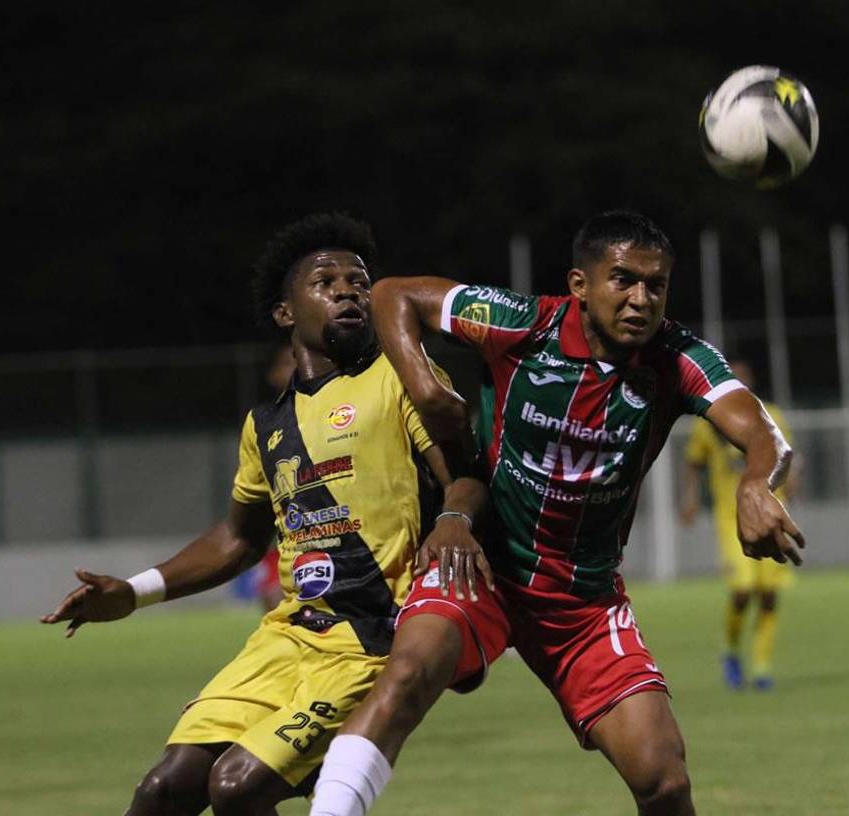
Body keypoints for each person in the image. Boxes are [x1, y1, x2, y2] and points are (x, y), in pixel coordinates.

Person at [308, 210, 805, 816]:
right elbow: (394, 294)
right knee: (408, 674)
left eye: (656, 284)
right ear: (580, 285)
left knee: (665, 779)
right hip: (483, 564)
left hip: (582, 598)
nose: (640, 299)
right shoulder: (522, 322)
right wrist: (426, 387)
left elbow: (762, 431)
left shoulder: (678, 357)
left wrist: (758, 483)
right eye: (622, 280)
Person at [41, 213, 490, 816]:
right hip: (283, 640)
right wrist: (133, 591)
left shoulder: (396, 378)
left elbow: (464, 472)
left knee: (236, 787)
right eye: (325, 282)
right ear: (286, 314)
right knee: (162, 791)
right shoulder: (265, 425)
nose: (348, 292)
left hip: (367, 639)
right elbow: (238, 537)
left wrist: (454, 518)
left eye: (359, 282)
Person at [680, 359, 796, 691]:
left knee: (770, 594)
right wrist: (689, 500)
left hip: (772, 512)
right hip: (732, 519)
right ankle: (731, 651)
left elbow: (788, 456)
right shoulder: (710, 422)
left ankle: (761, 667)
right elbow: (693, 463)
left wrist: (793, 485)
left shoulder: (772, 415)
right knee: (743, 590)